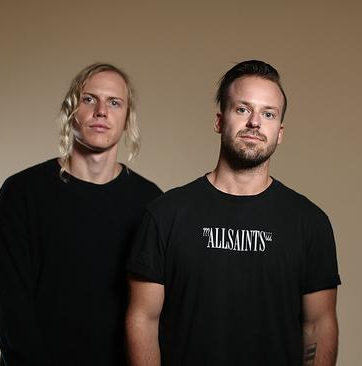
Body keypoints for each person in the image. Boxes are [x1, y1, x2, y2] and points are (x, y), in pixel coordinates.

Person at [126, 60, 341, 366]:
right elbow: (143, 320)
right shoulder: (165, 214)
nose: (255, 122)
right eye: (242, 109)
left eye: (268, 114)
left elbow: (319, 325)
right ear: (219, 120)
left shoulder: (310, 222)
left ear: (279, 132)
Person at [0, 63, 162, 365]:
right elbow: (9, 308)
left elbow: (154, 314)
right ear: (72, 110)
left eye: (114, 102)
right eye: (89, 99)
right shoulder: (22, 192)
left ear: (126, 119)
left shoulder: (150, 202)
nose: (101, 111)